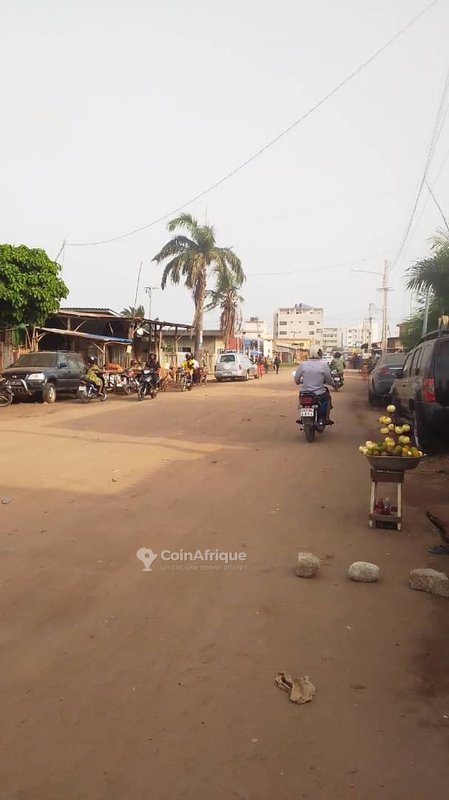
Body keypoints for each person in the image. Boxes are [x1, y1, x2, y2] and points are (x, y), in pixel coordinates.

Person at [294, 345, 335, 424]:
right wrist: (332, 383)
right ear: (319, 353)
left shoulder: (303, 365)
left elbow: (296, 380)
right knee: (327, 398)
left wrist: (300, 382)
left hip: (304, 393)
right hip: (319, 393)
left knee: (301, 401)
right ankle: (325, 418)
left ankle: (302, 417)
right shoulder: (324, 365)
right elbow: (329, 380)